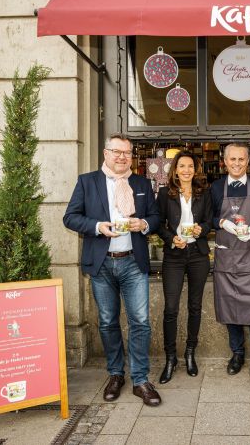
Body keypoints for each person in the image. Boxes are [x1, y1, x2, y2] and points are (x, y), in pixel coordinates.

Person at [63, 133, 161, 406]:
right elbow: (70, 217)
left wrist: (143, 224)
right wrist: (97, 227)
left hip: (133, 261)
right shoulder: (87, 182)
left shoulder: (142, 183)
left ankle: (140, 380)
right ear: (105, 153)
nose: (122, 157)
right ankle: (116, 374)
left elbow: (155, 216)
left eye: (127, 153)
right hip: (102, 262)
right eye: (116, 151)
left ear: (132, 156)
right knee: (107, 321)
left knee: (140, 321)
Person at [211, 143, 250, 386]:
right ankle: (237, 354)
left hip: (248, 257)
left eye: (241, 159)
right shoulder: (215, 188)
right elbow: (208, 217)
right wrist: (222, 223)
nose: (236, 163)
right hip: (225, 257)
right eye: (232, 159)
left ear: (248, 161)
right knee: (229, 309)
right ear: (224, 162)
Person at [156, 150, 212, 384]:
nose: (186, 170)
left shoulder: (204, 193)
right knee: (171, 308)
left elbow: (209, 219)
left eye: (190, 166)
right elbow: (158, 223)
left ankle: (190, 353)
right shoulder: (164, 194)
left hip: (198, 255)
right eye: (182, 166)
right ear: (175, 170)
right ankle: (170, 358)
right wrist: (171, 238)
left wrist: (202, 230)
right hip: (175, 255)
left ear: (195, 169)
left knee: (195, 306)